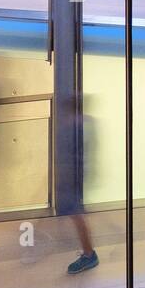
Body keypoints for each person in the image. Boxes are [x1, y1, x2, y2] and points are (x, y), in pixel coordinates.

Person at [61, 95, 100, 275]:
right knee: (76, 213)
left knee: (76, 214)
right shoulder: (89, 122)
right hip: (82, 173)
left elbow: (73, 153)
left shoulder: (75, 124)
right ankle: (88, 252)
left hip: (76, 175)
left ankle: (89, 254)